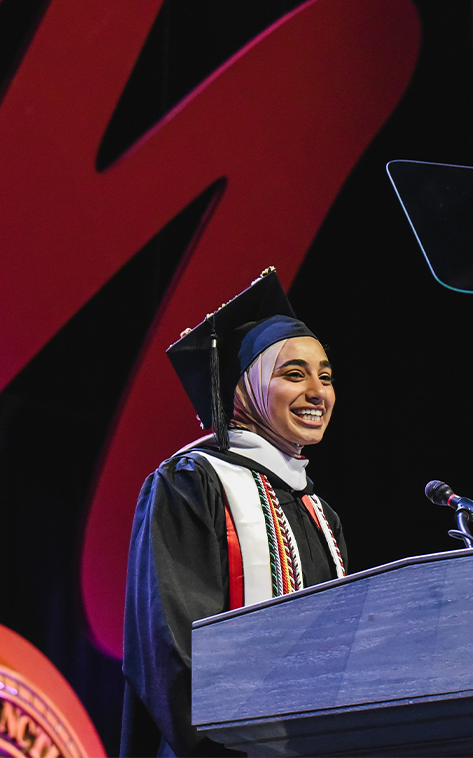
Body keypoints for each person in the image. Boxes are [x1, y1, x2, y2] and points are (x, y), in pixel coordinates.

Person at [120, 269, 348, 758]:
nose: (318, 391)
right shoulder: (191, 482)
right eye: (294, 375)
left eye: (326, 377)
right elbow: (169, 643)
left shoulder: (320, 514)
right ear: (245, 389)